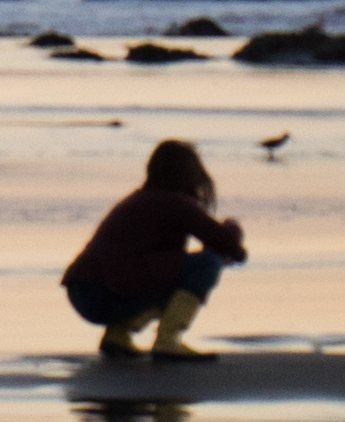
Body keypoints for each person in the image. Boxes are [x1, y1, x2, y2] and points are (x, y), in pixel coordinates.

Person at [59, 139, 248, 363]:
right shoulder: (174, 203)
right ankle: (168, 340)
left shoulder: (141, 199)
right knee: (207, 263)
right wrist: (232, 230)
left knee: (172, 273)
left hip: (82, 291)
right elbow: (228, 246)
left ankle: (118, 335)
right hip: (105, 293)